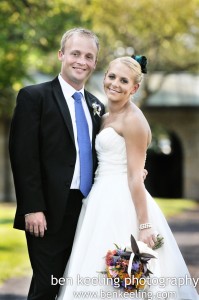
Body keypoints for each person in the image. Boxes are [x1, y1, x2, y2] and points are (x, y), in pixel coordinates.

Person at [57, 56, 199, 299]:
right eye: (112, 76)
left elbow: (135, 177)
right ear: (104, 77)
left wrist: (144, 226)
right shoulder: (103, 115)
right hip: (98, 200)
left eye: (124, 81)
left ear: (134, 88)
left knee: (121, 277)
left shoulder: (134, 120)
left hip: (122, 203)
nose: (115, 83)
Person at [9, 27, 105, 300]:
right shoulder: (33, 97)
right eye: (75, 53)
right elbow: (23, 156)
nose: (81, 61)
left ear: (95, 63)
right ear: (61, 55)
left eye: (89, 56)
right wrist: (33, 207)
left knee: (73, 287)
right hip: (47, 212)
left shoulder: (97, 105)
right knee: (48, 286)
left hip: (87, 212)